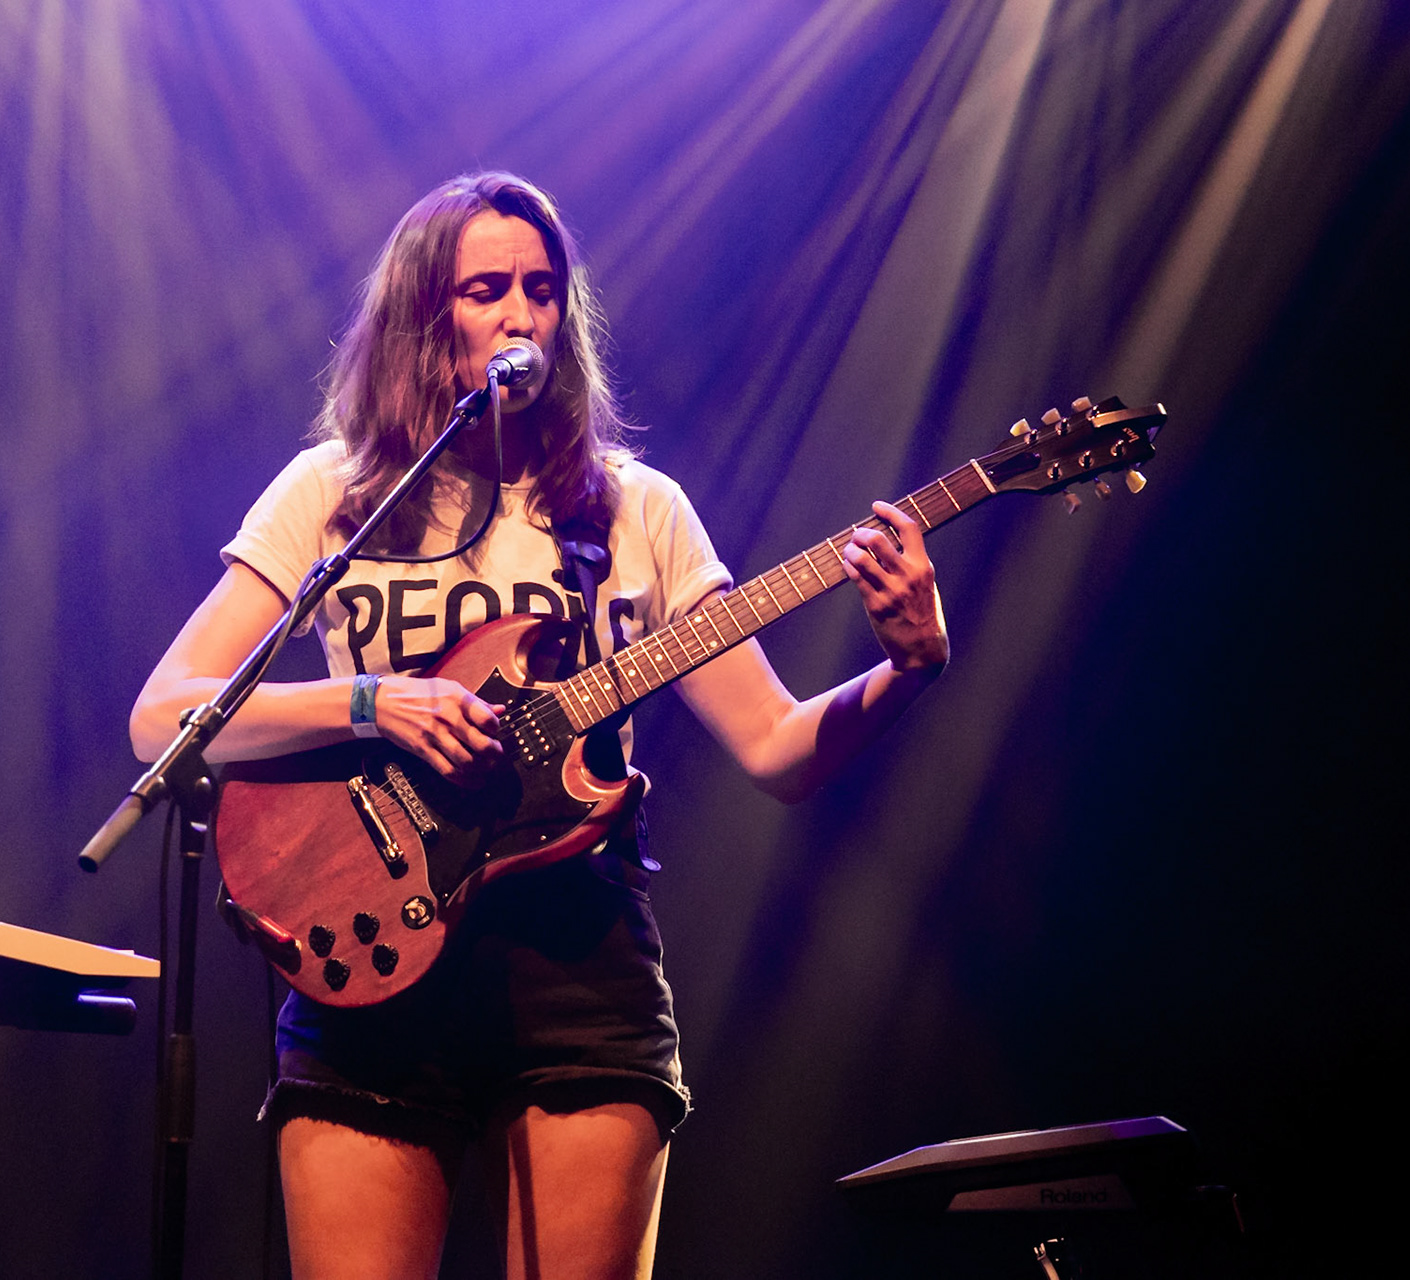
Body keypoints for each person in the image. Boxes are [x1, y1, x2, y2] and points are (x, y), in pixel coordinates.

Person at [130, 172, 950, 1280]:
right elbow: (167, 715)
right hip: (367, 949)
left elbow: (778, 748)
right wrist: (377, 701)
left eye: (542, 289)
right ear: (427, 316)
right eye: (486, 290)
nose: (523, 315)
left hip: (578, 961)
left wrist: (905, 667)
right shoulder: (332, 495)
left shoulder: (632, 507)